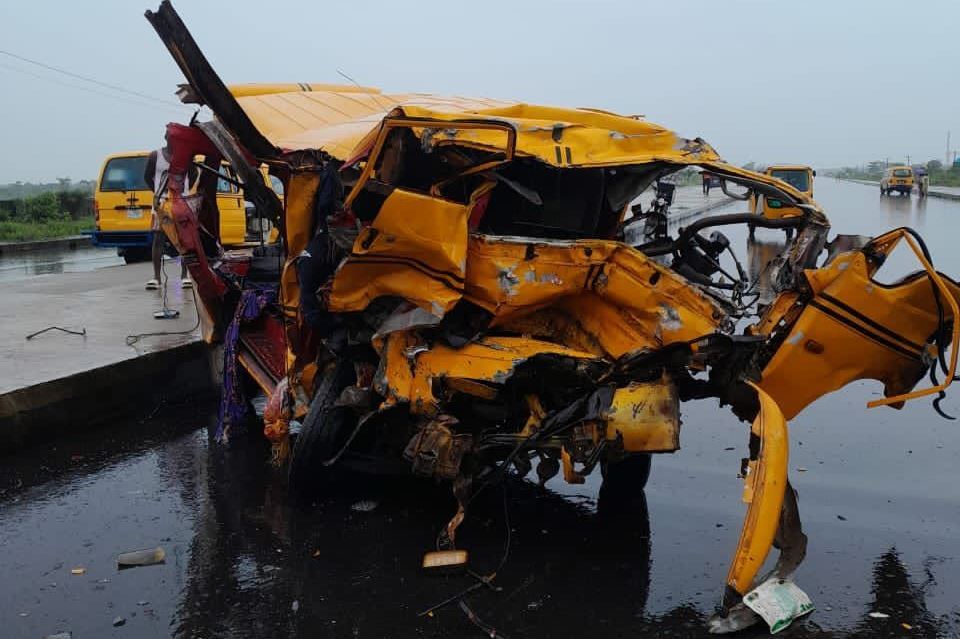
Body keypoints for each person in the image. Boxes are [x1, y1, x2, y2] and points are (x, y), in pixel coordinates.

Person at [143, 134, 191, 290]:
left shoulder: (185, 155)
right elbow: (147, 177)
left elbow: (194, 173)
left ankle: (185, 275)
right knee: (158, 238)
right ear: (166, 139)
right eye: (171, 138)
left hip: (181, 202)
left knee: (184, 240)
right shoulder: (155, 156)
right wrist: (158, 192)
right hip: (161, 202)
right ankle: (156, 277)